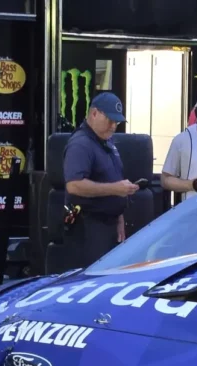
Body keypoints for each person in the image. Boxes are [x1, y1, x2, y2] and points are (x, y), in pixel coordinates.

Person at [62, 92, 139, 269]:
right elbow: (74, 185)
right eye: (110, 120)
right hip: (88, 227)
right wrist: (115, 189)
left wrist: (119, 217)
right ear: (94, 113)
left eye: (117, 122)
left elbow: (113, 178)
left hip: (108, 226)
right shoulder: (81, 144)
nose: (113, 126)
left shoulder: (106, 141)